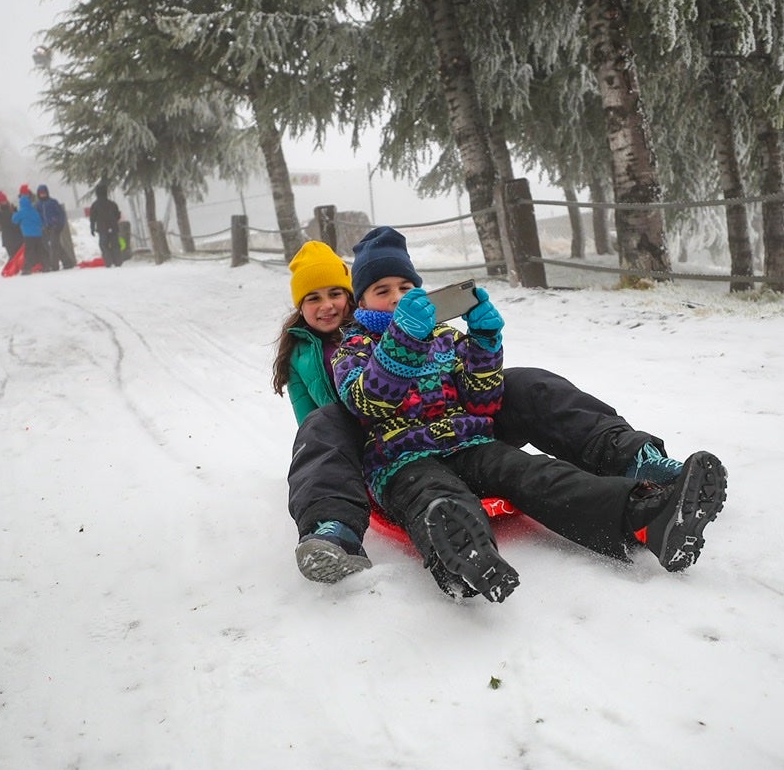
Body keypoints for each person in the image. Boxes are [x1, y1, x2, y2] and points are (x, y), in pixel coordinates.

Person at [291, 227, 727, 601]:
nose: (396, 298)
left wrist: (483, 340)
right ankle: (463, 558)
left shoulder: (444, 337)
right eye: (382, 291)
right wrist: (404, 338)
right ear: (361, 301)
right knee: (436, 498)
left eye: (405, 289)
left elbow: (484, 400)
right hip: (401, 457)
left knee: (537, 474)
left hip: (468, 441)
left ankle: (648, 518)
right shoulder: (354, 347)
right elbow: (366, 403)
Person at [35, 184, 75, 270]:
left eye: (44, 193)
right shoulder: (38, 205)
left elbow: (61, 214)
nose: (43, 195)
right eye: (41, 193)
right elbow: (38, 216)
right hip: (45, 227)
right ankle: (67, 262)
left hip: (55, 227)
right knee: (55, 245)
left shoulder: (53, 202)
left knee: (53, 245)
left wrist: (59, 224)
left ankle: (54, 265)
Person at [12, 184, 47, 275]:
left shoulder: (22, 211)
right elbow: (40, 222)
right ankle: (46, 266)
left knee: (29, 252)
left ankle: (27, 268)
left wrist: (14, 213)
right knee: (40, 250)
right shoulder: (34, 210)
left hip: (28, 234)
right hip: (38, 234)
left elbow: (14, 220)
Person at [89, 183, 123, 267]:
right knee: (115, 244)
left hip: (102, 229)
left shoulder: (95, 205)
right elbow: (118, 216)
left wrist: (92, 228)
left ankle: (108, 262)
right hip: (113, 228)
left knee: (104, 245)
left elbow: (92, 218)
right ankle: (118, 261)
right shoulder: (112, 204)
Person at [0, 191, 21, 260]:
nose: (4, 202)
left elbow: (17, 217)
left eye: (4, 200)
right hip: (8, 235)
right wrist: (12, 223)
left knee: (20, 252)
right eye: (2, 201)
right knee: (12, 255)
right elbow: (1, 222)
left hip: (17, 234)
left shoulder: (12, 207)